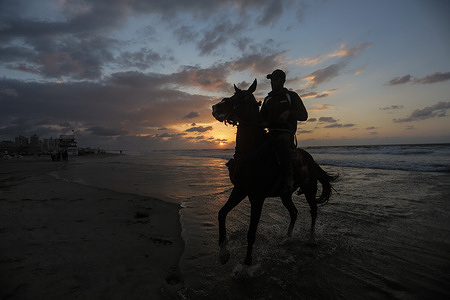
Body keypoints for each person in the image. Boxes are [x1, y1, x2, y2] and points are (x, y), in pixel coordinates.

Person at [260, 69, 308, 193]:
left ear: (282, 81)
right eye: (272, 80)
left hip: (286, 133)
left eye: (275, 80)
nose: (273, 82)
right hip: (271, 132)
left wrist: (289, 113)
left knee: (281, 143)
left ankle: (290, 178)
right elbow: (262, 118)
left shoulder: (291, 96)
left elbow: (304, 115)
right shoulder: (267, 99)